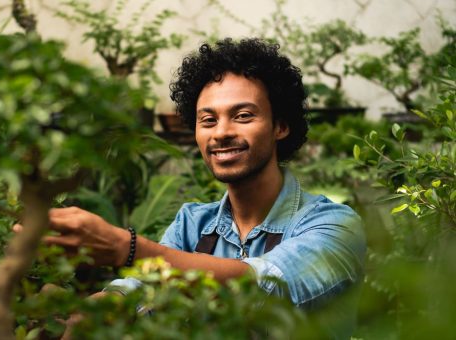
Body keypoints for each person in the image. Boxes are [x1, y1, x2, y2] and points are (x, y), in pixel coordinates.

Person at [24, 38, 366, 338]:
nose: (221, 133)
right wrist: (99, 307)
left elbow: (262, 287)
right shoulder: (193, 224)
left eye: (243, 116)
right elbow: (142, 288)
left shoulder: (333, 225)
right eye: (208, 120)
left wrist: (124, 248)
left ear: (280, 126)